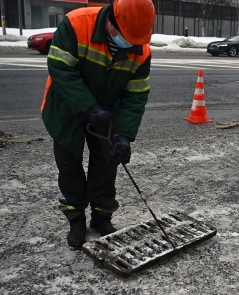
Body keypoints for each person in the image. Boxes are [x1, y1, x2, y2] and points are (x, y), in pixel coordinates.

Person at [41, 0, 155, 248]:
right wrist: (88, 106)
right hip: (66, 106)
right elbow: (60, 69)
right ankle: (76, 220)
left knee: (107, 162)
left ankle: (101, 218)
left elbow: (136, 94)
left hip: (108, 111)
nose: (132, 43)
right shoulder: (77, 23)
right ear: (112, 23)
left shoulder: (141, 49)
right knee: (69, 163)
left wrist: (123, 135)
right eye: (128, 37)